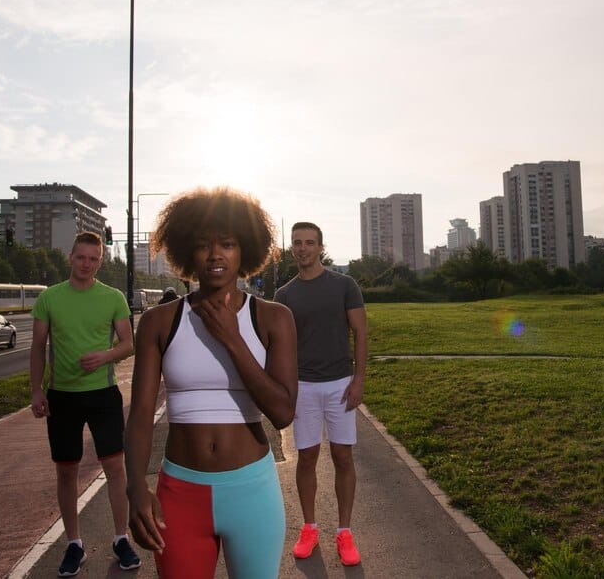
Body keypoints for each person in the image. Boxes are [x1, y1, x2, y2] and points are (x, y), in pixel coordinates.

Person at [125, 187, 298, 579]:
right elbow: (139, 415)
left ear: (245, 251)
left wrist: (232, 339)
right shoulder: (159, 322)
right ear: (188, 252)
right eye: (203, 245)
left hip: (252, 491)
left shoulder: (273, 318)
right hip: (180, 494)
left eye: (228, 244)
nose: (215, 254)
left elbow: (283, 412)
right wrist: (135, 487)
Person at [29, 231, 141, 576]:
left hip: (103, 396)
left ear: (100, 262)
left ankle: (121, 538)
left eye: (94, 259)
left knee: (115, 469)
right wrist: (37, 390)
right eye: (81, 257)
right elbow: (37, 348)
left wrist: (105, 356)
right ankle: (74, 544)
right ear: (71, 257)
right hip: (62, 397)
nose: (87, 264)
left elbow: (128, 344)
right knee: (67, 471)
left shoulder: (112, 298)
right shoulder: (49, 298)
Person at [274, 222, 368, 566]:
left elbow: (360, 332)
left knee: (343, 457)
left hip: (340, 384)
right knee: (307, 458)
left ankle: (345, 532)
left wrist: (358, 380)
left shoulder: (344, 285)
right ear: (292, 248)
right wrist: (286, 389)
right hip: (303, 388)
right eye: (297, 243)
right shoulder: (284, 294)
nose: (302, 249)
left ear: (320, 247)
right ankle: (309, 528)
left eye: (309, 243)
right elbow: (279, 347)